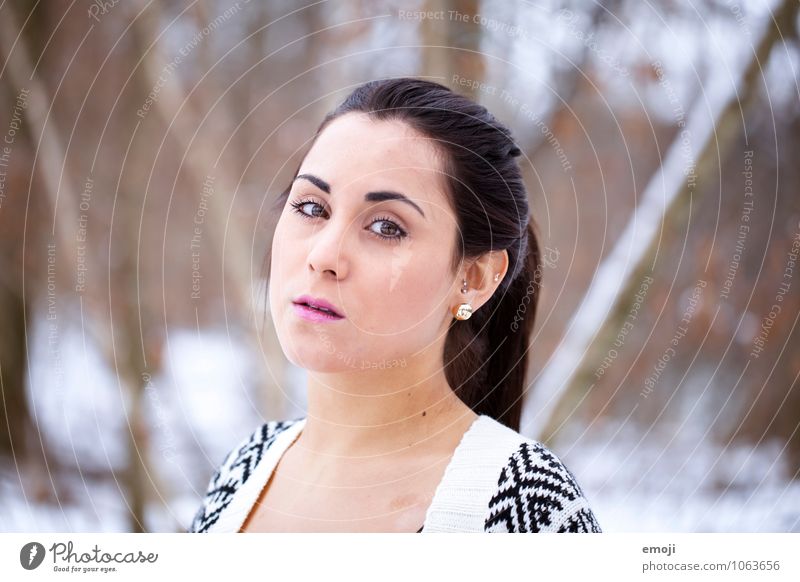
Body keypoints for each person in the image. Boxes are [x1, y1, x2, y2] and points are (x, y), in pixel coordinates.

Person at [189, 77, 601, 533]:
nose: (324, 256)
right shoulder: (244, 470)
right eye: (311, 207)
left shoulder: (526, 505)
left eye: (386, 227)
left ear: (474, 278)